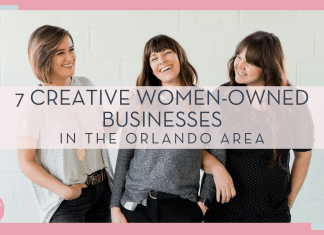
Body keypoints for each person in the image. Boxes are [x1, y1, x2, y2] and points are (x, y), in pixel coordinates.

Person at [110, 35, 232, 223]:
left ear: (179, 57)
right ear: (150, 68)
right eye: (154, 58)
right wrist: (115, 207)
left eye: (167, 53)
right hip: (135, 207)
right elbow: (124, 154)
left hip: (182, 208)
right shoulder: (140, 100)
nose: (162, 61)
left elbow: (218, 154)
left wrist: (202, 205)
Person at [203, 31, 313, 223]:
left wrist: (289, 200)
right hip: (223, 212)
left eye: (250, 62)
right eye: (238, 57)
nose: (240, 65)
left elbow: (303, 153)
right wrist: (217, 169)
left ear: (268, 67)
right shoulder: (222, 96)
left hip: (272, 214)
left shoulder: (293, 102)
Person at [17, 25, 113, 223]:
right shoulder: (33, 103)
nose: (70, 57)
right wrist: (65, 192)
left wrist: (127, 111)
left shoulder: (86, 85)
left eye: (71, 49)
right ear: (43, 58)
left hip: (103, 191)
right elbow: (25, 162)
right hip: (65, 201)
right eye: (60, 52)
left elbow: (101, 131)